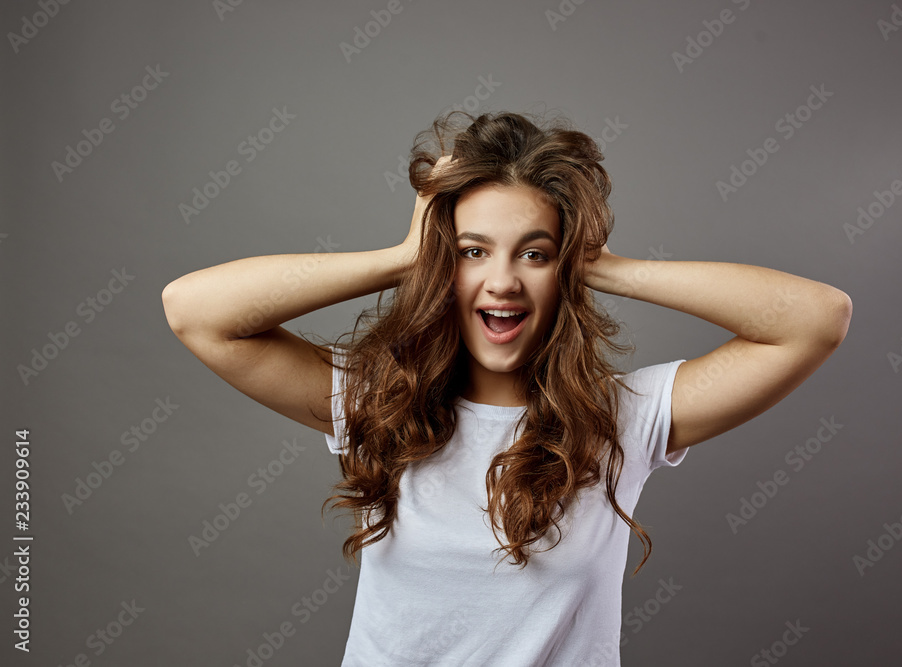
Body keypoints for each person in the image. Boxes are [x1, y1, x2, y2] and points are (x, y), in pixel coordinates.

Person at [161, 109, 852, 665]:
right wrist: (404, 256)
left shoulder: (623, 418)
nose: (502, 281)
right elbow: (196, 311)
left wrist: (605, 265)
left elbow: (816, 319)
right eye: (471, 251)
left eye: (534, 252)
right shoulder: (380, 401)